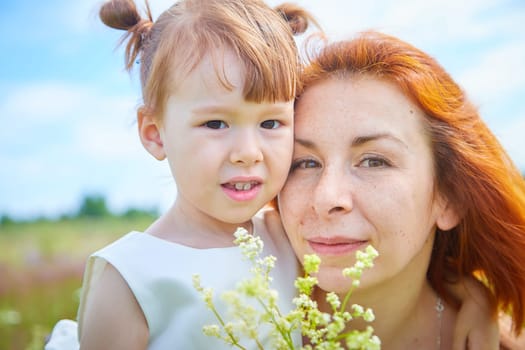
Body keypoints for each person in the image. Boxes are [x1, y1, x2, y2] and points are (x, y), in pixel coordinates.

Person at [45, 0, 317, 349]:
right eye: (215, 123)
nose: (248, 152)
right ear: (155, 133)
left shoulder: (291, 238)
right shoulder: (131, 275)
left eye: (270, 122)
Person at [277, 30, 525, 349]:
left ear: (449, 197)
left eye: (374, 161)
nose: (327, 198)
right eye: (305, 163)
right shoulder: (224, 312)